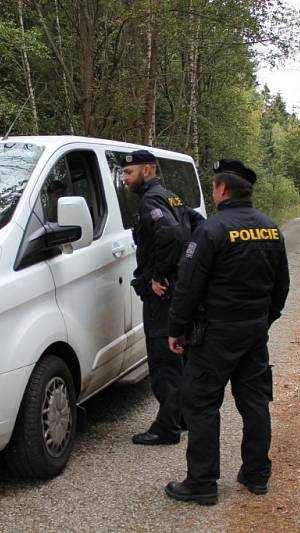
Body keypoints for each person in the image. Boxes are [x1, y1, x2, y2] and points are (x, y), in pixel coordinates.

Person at [164, 159, 290, 505]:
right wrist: (264, 321)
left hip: (215, 334)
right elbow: (282, 286)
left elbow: (188, 287)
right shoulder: (270, 228)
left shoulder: (211, 230)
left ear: (221, 190)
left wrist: (176, 329)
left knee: (202, 403)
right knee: (255, 402)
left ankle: (202, 482)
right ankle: (256, 474)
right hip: (253, 330)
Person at [122, 149, 204, 446]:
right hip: (177, 287)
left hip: (162, 294)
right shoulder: (172, 197)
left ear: (147, 170)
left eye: (129, 173)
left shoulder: (151, 201)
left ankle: (167, 428)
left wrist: (159, 275)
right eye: (123, 173)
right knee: (176, 357)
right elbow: (196, 228)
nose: (125, 178)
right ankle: (180, 417)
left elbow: (171, 235)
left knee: (163, 359)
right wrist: (185, 267)